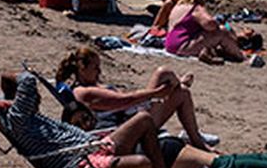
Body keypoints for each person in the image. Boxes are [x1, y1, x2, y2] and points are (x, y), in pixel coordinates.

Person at [0, 71, 184, 168]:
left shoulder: (29, 119)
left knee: (144, 119)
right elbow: (26, 80)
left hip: (92, 146)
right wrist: (19, 78)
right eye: (34, 99)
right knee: (142, 163)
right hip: (80, 162)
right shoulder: (19, 120)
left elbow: (9, 82)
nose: (37, 100)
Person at [63, 102, 267, 168]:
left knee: (221, 163)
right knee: (219, 162)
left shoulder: (100, 136)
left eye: (85, 117)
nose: (84, 124)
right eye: (78, 123)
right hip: (163, 148)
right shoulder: (91, 143)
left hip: (164, 151)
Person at [55, 45, 213, 150]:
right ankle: (197, 140)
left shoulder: (92, 86)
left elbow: (126, 101)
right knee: (163, 73)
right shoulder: (83, 92)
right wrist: (155, 93)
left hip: (131, 118)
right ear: (82, 69)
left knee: (182, 92)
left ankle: (197, 139)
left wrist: (155, 94)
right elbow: (124, 101)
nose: (99, 72)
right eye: (95, 68)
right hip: (127, 131)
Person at [163, 0, 245, 63]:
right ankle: (240, 56)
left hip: (170, 44)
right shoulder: (196, 8)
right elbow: (210, 25)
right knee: (222, 32)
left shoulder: (179, 6)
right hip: (182, 46)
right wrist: (218, 23)